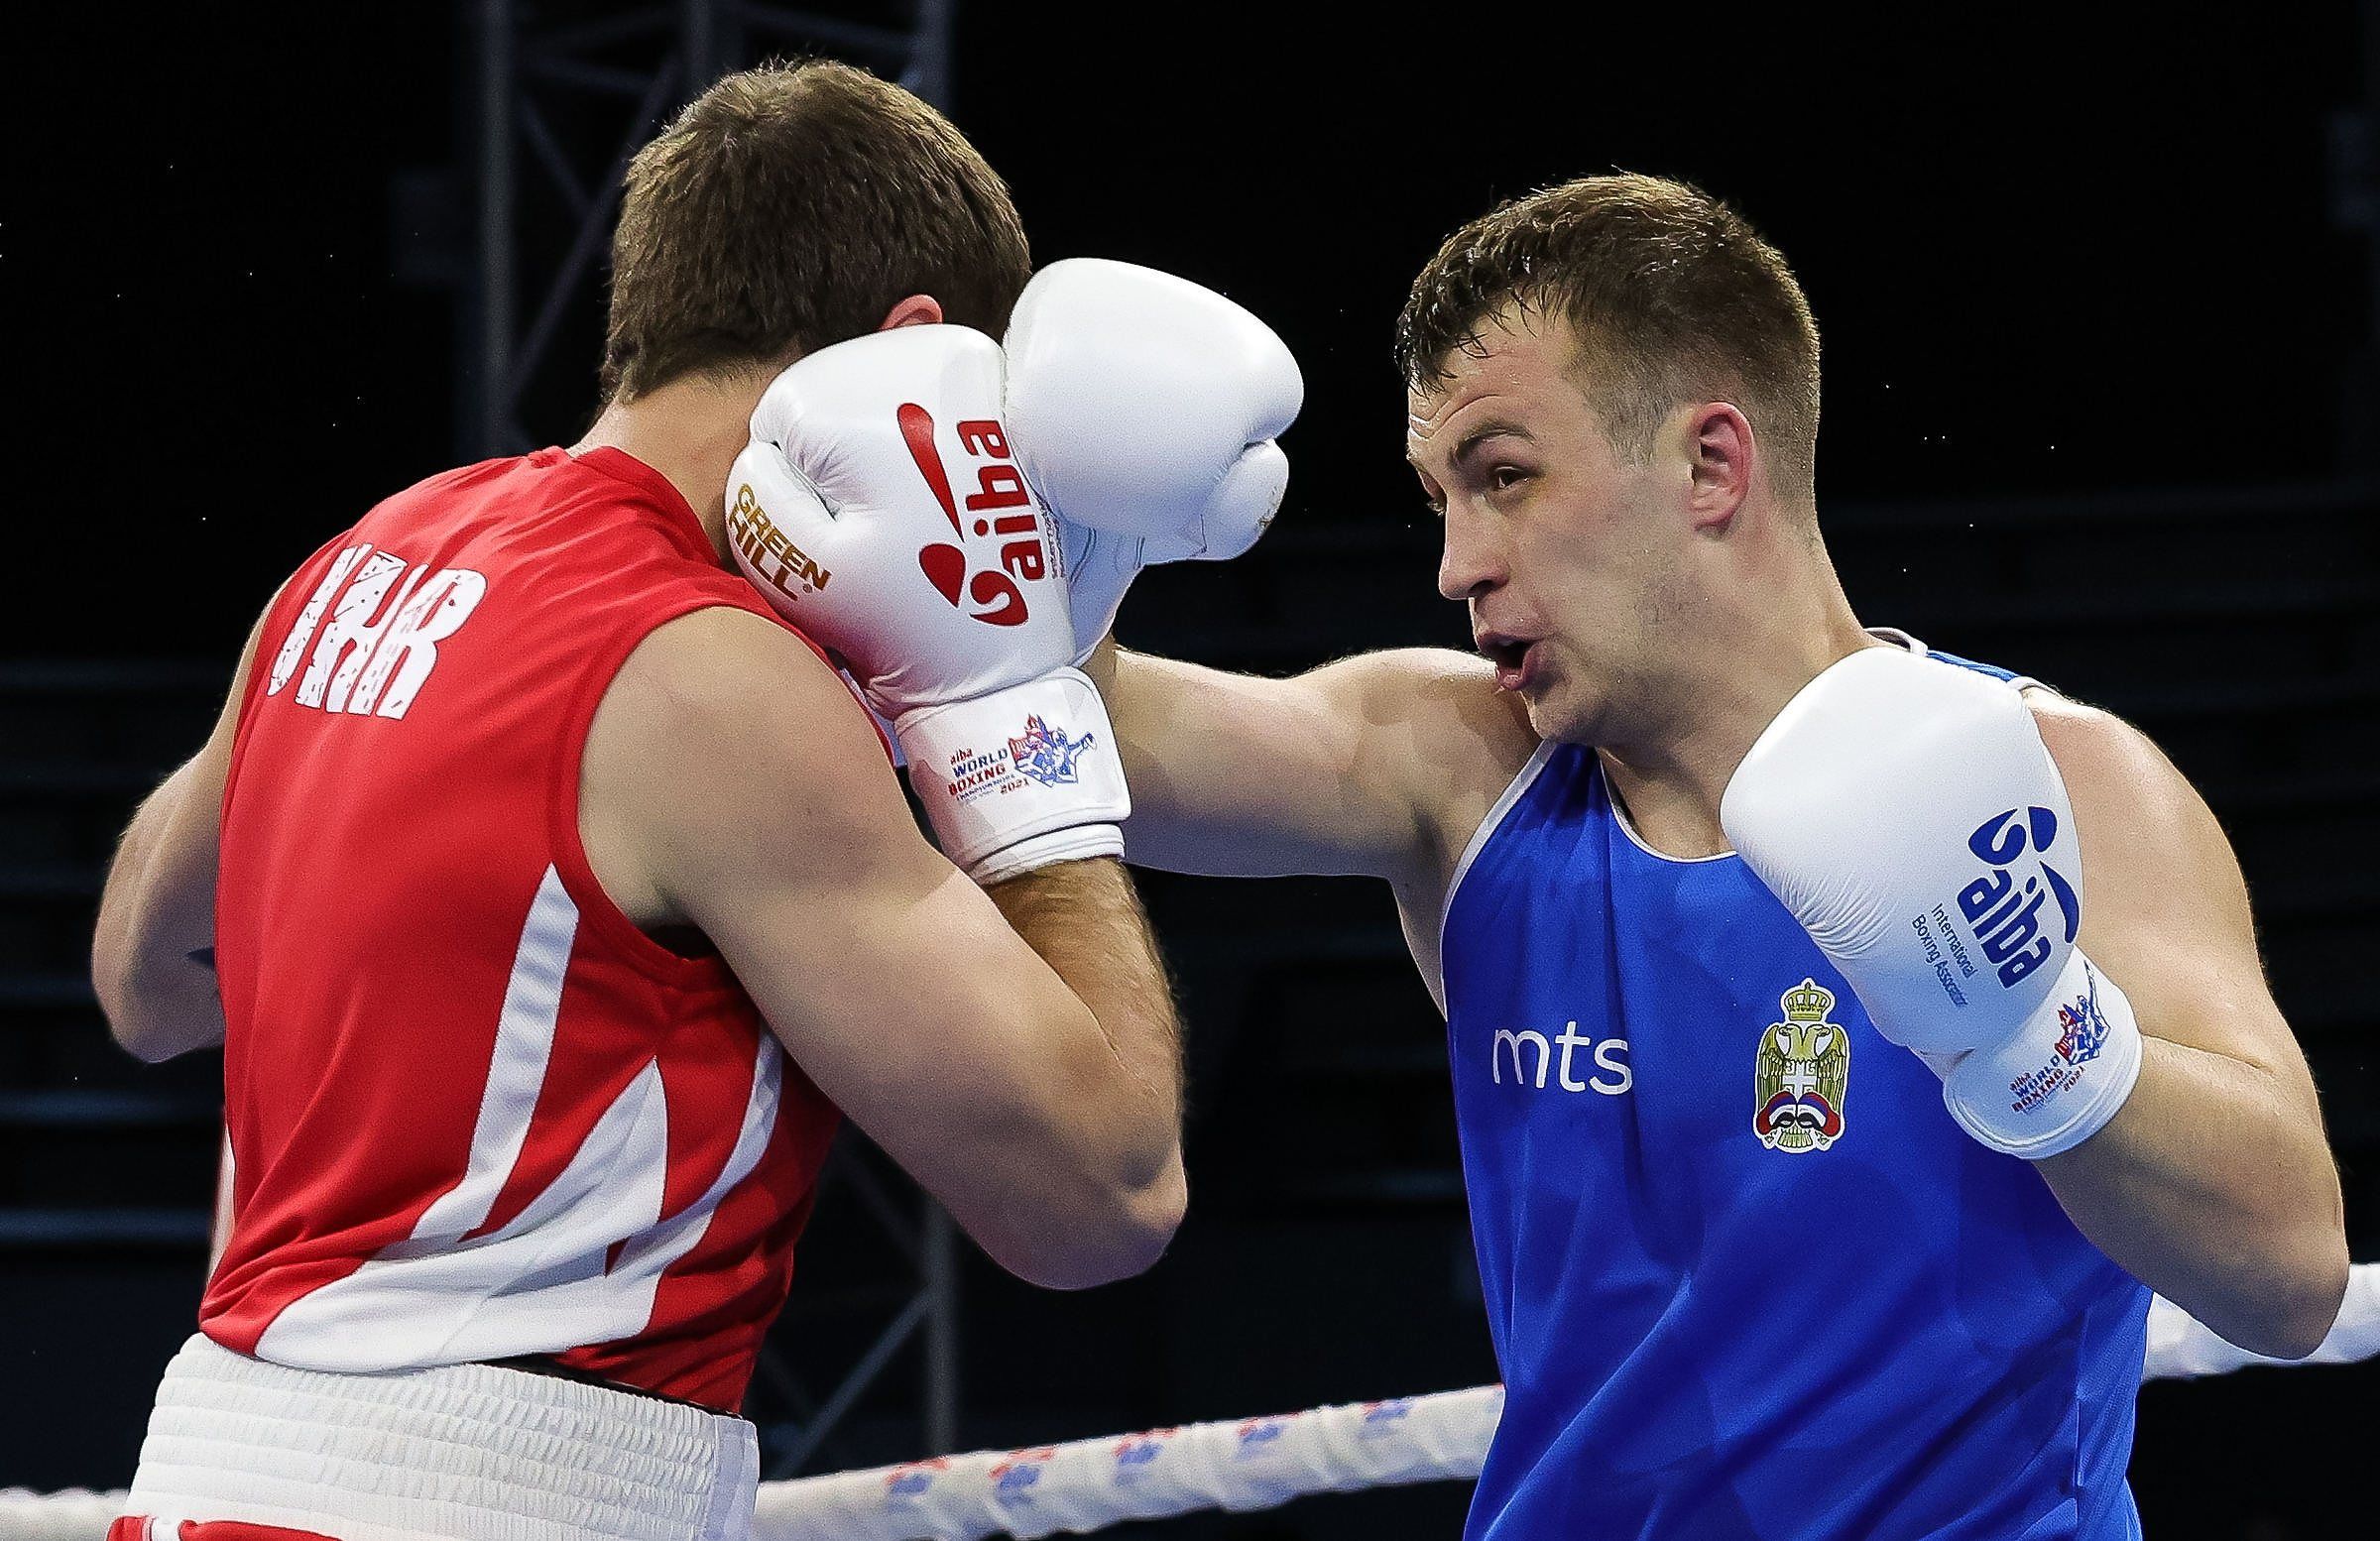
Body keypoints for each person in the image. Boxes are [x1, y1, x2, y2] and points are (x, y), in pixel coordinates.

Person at [756, 175, 2347, 1539]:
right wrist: (1062, 560)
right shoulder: (1462, 772)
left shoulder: (2064, 788)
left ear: (1712, 465)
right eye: (1439, 497)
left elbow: (2286, 1278)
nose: (1457, 562)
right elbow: (1051, 714)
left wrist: (2032, 1029)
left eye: (1504, 477)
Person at [87, 61, 1201, 1541]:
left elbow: (147, 985)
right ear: (915, 355)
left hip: (209, 1487)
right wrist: (1010, 712)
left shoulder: (363, 561)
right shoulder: (710, 676)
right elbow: (1104, 1196)